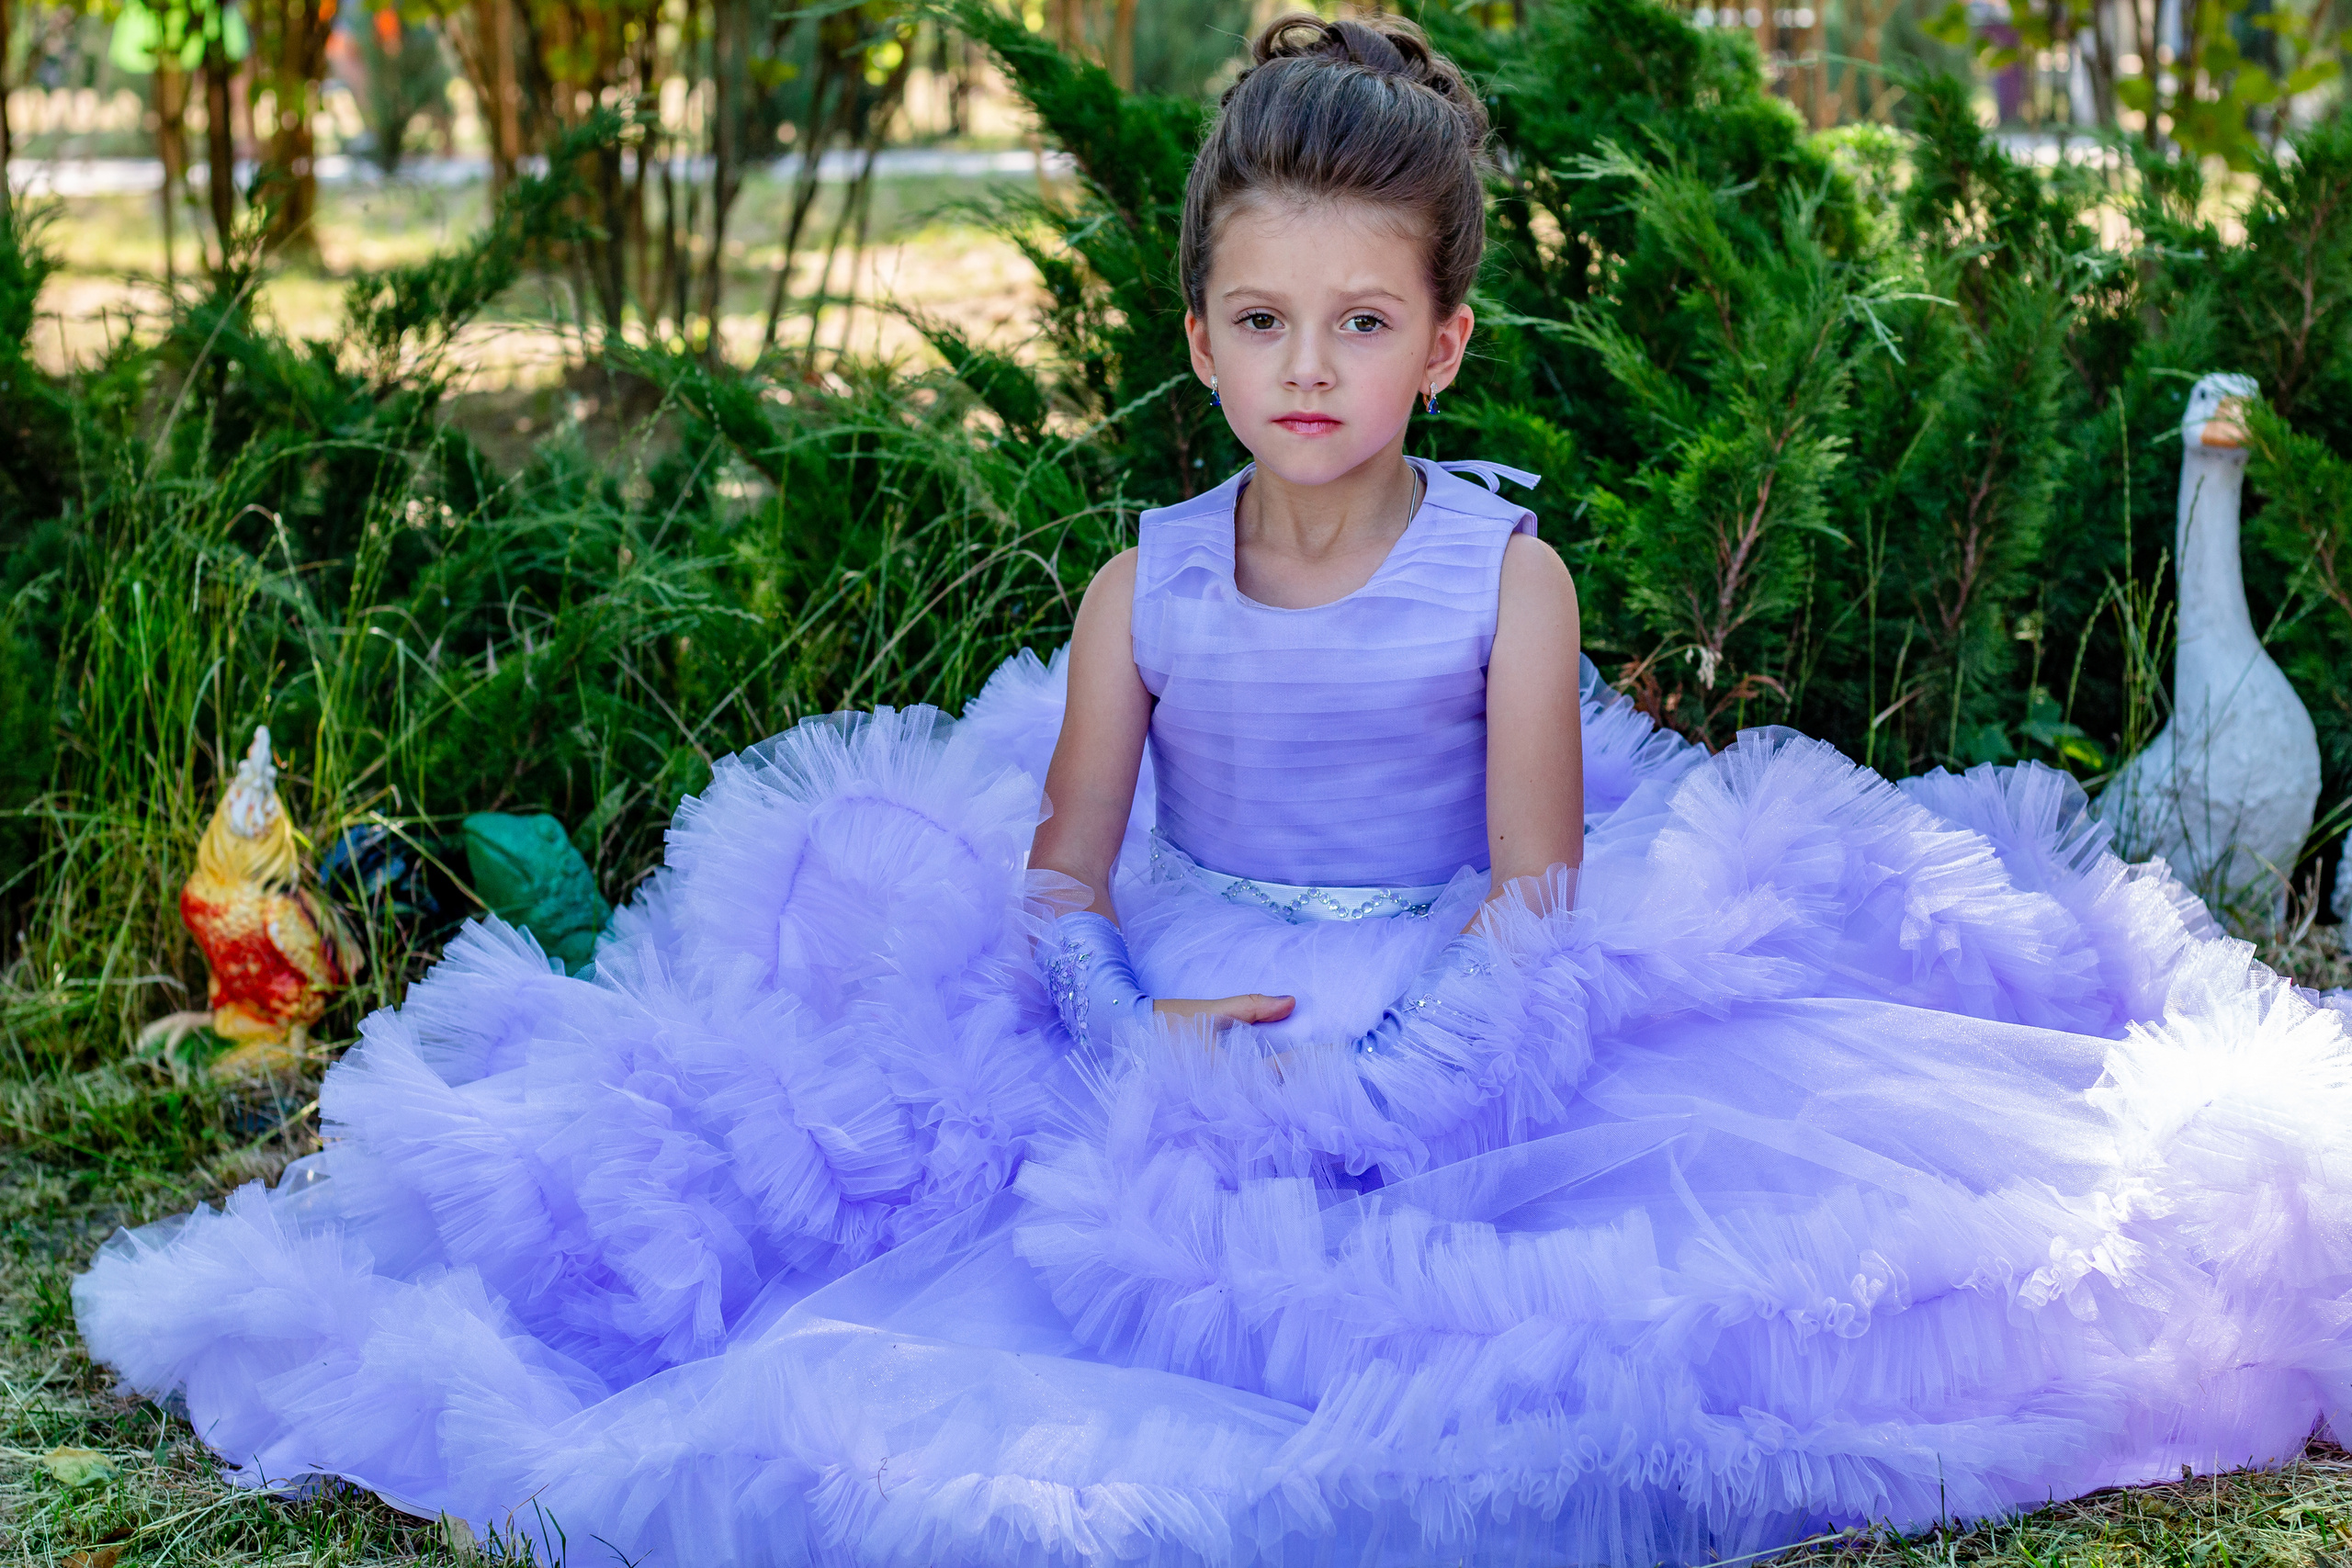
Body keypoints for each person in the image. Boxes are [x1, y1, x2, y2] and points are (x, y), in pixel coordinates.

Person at [74, 17, 2352, 1568]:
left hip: (1457, 1006)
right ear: (1197, 336)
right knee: (901, 1263)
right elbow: (1061, 886)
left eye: (1361, 324)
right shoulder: (1142, 587)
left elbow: (1538, 897)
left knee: (1618, 1308)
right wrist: (1120, 1027)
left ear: (1442, 341)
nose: (1308, 369)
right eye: (1260, 322)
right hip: (1179, 994)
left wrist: (1398, 1078)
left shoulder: (1507, 579)